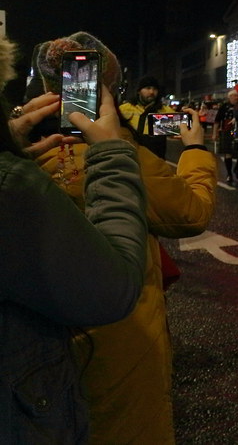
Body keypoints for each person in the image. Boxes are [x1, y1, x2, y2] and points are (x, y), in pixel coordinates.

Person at [30, 32, 216, 444]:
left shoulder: (20, 153)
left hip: (35, 350)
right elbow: (191, 212)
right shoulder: (120, 158)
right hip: (118, 342)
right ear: (110, 91)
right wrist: (196, 149)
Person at [1, 35, 148, 445]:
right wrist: (118, 155)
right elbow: (188, 211)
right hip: (53, 385)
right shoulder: (12, 182)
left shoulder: (22, 160)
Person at [118, 74, 175, 159]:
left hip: (156, 162)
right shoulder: (125, 109)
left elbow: (182, 131)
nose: (152, 92)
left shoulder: (165, 111)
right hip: (130, 160)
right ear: (139, 91)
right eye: (148, 88)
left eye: (155, 89)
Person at [212, 87, 238, 184]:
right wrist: (214, 133)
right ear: (230, 97)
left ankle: (236, 169)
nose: (236, 98)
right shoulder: (224, 107)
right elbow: (217, 121)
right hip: (227, 131)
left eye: (237, 96)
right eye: (234, 96)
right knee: (228, 153)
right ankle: (229, 174)